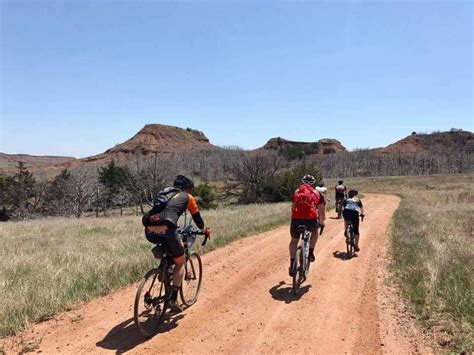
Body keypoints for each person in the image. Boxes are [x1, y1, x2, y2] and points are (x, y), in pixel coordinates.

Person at [143, 175, 211, 312]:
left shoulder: (165, 192)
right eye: (190, 189)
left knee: (168, 250)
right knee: (180, 262)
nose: (190, 192)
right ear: (187, 188)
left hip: (149, 229)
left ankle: (165, 270)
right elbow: (197, 218)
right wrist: (204, 230)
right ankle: (173, 299)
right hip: (168, 228)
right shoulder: (187, 197)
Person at [289, 175, 326, 276]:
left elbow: (293, 207)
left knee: (294, 241)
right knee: (314, 232)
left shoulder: (297, 192)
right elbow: (321, 211)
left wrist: (294, 217)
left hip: (296, 219)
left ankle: (292, 263)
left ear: (302, 182)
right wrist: (322, 222)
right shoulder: (317, 194)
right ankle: (310, 253)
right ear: (313, 183)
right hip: (311, 219)